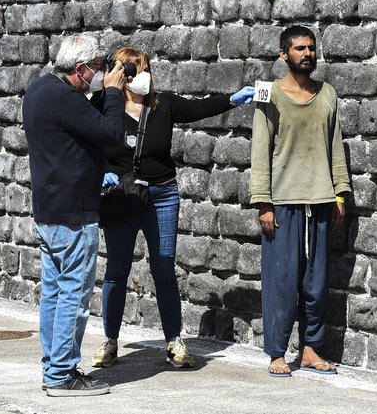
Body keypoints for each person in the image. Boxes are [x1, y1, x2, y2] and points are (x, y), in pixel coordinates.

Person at [90, 46, 255, 369]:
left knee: (164, 269)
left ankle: (173, 341)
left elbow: (197, 109)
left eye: (145, 67)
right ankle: (110, 341)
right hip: (121, 195)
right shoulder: (105, 104)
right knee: (116, 271)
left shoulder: (162, 103)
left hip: (162, 194)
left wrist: (234, 99)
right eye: (135, 69)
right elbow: (83, 139)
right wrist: (100, 172)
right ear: (121, 73)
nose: (142, 75)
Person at [22, 34, 128, 396]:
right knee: (74, 297)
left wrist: (102, 90)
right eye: (98, 68)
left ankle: (53, 368)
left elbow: (80, 123)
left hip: (49, 212)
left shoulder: (40, 89)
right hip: (74, 216)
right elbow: (113, 134)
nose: (102, 73)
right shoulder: (66, 97)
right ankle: (62, 375)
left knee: (53, 293)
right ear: (80, 69)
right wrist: (113, 93)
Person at [249, 26, 351, 377]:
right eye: (299, 49)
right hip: (282, 202)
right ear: (283, 54)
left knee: (316, 282)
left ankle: (310, 350)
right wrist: (263, 201)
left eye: (311, 48)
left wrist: (340, 193)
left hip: (321, 199)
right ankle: (277, 353)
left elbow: (336, 147)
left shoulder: (328, 94)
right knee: (281, 281)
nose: (307, 54)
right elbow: (259, 148)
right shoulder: (269, 94)